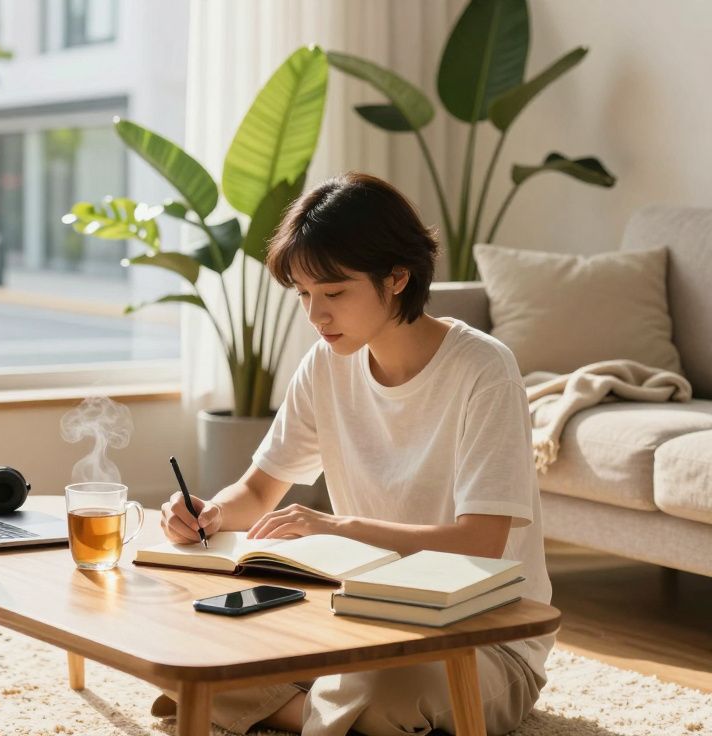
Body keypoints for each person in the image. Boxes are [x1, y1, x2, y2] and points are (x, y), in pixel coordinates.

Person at [155, 172, 552, 735]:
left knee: (391, 688)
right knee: (179, 636)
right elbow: (259, 489)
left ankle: (305, 708)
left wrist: (334, 527)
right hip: (359, 618)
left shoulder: (484, 370)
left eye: (335, 293)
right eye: (304, 295)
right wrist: (211, 512)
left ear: (397, 277)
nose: (316, 316)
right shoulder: (325, 363)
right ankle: (337, 712)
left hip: (481, 633)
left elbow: (480, 542)